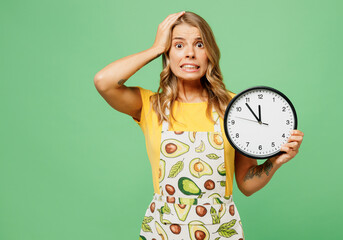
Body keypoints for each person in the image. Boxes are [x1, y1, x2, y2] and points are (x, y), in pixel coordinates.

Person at [94, 11, 304, 240]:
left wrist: (275, 161)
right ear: (168, 53)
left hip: (220, 232)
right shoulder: (152, 106)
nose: (190, 53)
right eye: (178, 45)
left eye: (199, 44)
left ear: (210, 54)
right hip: (164, 231)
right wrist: (155, 48)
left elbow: (246, 184)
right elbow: (104, 82)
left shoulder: (235, 108)